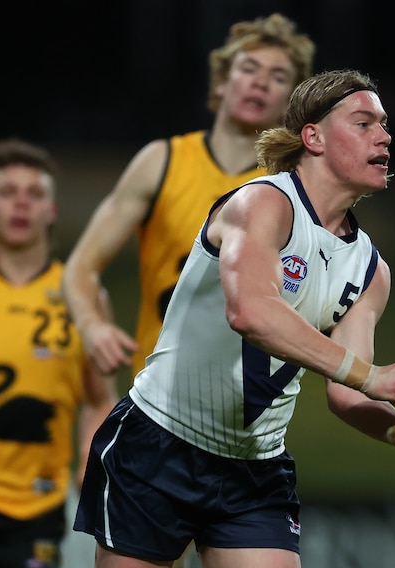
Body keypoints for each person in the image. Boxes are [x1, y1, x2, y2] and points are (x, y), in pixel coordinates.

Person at [73, 68, 395, 568]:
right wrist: (373, 377)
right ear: (312, 136)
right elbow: (250, 311)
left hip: (256, 468)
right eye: (364, 123)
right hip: (160, 444)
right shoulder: (262, 202)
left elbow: (348, 390)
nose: (385, 136)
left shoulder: (371, 271)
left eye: (385, 126)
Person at [62, 13, 317, 378]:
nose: (260, 82)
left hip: (241, 410)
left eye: (278, 77)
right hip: (156, 401)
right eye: (249, 69)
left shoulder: (293, 187)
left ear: (291, 104)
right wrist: (93, 328)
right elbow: (81, 268)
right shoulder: (161, 162)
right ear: (219, 83)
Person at [0, 139, 118, 568]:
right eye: (7, 192)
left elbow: (99, 399)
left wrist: (90, 464)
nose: (21, 203)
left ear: (51, 211)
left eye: (34, 194)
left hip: (36, 506)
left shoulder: (84, 300)